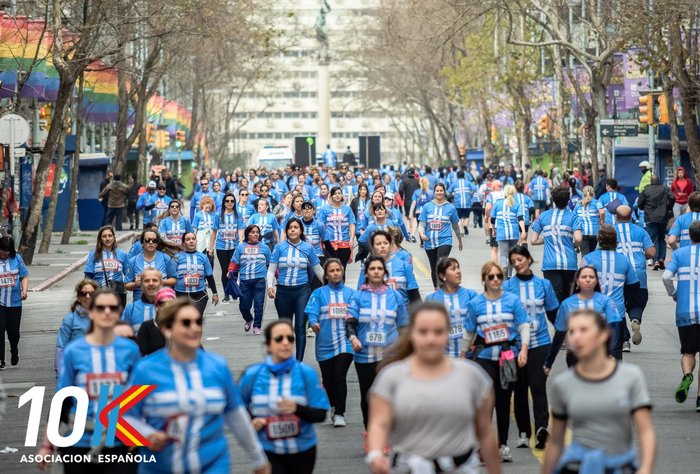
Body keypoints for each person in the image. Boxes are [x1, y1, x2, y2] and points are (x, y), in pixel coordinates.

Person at [125, 299, 271, 474]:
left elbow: (236, 416)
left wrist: (258, 459)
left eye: (198, 322)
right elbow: (123, 416)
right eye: (186, 323)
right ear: (166, 329)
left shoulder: (217, 366)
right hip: (160, 467)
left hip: (213, 465)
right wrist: (147, 434)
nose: (194, 328)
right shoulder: (146, 370)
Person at [366, 301, 500, 474]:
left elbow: (485, 432)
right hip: (408, 467)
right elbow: (379, 423)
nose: (431, 339)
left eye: (438, 332)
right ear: (411, 334)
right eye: (423, 332)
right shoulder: (391, 377)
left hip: (461, 468)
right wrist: (376, 454)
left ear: (447, 333)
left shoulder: (472, 376)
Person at [37, 288, 141, 473]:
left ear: (118, 312)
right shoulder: (74, 351)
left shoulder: (130, 350)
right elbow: (63, 399)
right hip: (79, 442)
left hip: (120, 443)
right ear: (91, 313)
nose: (107, 312)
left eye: (112, 307)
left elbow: (138, 398)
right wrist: (47, 444)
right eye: (101, 308)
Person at [542, 309, 656, 474]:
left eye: (584, 330)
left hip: (619, 465)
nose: (577, 337)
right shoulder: (563, 384)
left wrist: (645, 468)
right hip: (577, 466)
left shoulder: (630, 377)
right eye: (572, 331)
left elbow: (645, 431)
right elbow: (556, 441)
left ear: (603, 334)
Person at [239, 320, 329, 474]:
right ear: (268, 344)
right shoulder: (252, 375)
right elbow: (236, 408)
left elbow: (321, 414)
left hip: (302, 450)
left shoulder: (306, 373)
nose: (286, 343)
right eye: (279, 339)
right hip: (267, 449)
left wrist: (296, 408)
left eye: (290, 338)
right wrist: (252, 420)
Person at [461, 261, 530, 462]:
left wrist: (523, 349)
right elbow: (469, 332)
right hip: (484, 357)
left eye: (499, 276)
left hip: (507, 356)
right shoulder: (476, 304)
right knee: (485, 402)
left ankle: (502, 445)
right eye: (491, 276)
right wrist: (462, 358)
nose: (495, 280)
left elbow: (524, 325)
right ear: (484, 279)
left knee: (503, 401)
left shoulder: (512, 300)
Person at [502, 246, 559, 451]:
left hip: (541, 342)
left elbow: (553, 313)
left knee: (538, 386)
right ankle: (524, 432)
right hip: (515, 345)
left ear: (528, 259)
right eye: (513, 261)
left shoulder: (543, 284)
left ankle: (542, 429)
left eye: (520, 259)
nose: (517, 264)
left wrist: (565, 334)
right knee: (519, 388)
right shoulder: (507, 286)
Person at [347, 256, 408, 431]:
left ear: (384, 272)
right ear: (366, 272)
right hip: (364, 355)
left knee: (390, 396)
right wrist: (353, 338)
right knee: (368, 395)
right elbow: (350, 322)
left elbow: (403, 326)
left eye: (379, 269)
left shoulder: (395, 296)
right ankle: (370, 432)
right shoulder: (358, 296)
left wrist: (404, 351)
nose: (376, 272)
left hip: (389, 356)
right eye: (372, 269)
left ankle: (389, 432)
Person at [306, 259, 355, 428]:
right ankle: (334, 406)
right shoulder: (318, 294)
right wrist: (314, 323)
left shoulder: (350, 294)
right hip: (324, 344)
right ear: (326, 275)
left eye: (338, 270)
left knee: (339, 376)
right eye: (332, 271)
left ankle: (340, 413)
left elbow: (356, 315)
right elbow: (312, 313)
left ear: (342, 272)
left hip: (345, 343)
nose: (335, 273)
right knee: (328, 379)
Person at [267, 218, 324, 361]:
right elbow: (271, 270)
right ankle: (285, 359)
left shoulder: (308, 248)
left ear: (301, 231)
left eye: (296, 227)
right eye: (290, 227)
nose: (293, 230)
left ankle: (298, 362)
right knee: (285, 329)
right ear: (286, 231)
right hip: (283, 293)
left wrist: (332, 286)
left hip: (302, 292)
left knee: (300, 326)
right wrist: (270, 286)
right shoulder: (279, 248)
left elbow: (318, 269)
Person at [580, 225, 640, 358]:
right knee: (614, 354)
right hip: (616, 312)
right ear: (615, 241)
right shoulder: (624, 260)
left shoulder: (589, 259)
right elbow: (634, 284)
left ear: (599, 240)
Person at [545, 266, 621, 369]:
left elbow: (614, 328)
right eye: (584, 277)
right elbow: (559, 334)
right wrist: (549, 362)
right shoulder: (567, 304)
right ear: (577, 281)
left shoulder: (606, 301)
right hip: (575, 354)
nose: (588, 280)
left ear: (596, 281)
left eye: (591, 277)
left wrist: (613, 354)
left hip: (599, 352)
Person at [662, 220, 700, 407]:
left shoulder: (678, 254)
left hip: (685, 310)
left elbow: (666, 276)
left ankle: (687, 375)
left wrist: (674, 293)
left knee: (688, 351)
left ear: (690, 236)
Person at [530, 186, 583, 306]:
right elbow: (578, 238)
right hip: (569, 264)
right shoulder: (573, 216)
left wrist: (548, 238)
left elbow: (533, 240)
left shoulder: (543, 216)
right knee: (568, 297)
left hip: (550, 265)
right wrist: (574, 244)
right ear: (568, 200)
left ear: (553, 199)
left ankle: (558, 322)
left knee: (554, 297)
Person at [615, 206, 655, 351]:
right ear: (631, 216)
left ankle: (624, 340)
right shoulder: (640, 231)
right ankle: (635, 319)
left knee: (617, 307)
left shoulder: (610, 231)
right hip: (638, 273)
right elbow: (651, 251)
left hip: (618, 274)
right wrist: (641, 257)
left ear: (616, 217)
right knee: (637, 302)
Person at [425, 258, 478, 358]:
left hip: (469, 356)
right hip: (442, 358)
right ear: (442, 276)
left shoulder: (471, 295)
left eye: (458, 268)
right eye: (453, 269)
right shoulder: (431, 299)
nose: (458, 271)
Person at [358, 230, 421, 313]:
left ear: (390, 244)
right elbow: (360, 296)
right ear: (373, 247)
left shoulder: (405, 265)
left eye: (385, 243)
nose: (382, 246)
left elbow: (414, 296)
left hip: (402, 317)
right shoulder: (366, 267)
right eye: (378, 244)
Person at [228, 225, 272, 335]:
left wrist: (277, 277)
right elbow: (234, 262)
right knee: (244, 306)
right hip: (244, 281)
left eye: (257, 232)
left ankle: (257, 326)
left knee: (258, 305)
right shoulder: (240, 247)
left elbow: (271, 265)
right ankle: (248, 319)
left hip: (260, 281)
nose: (256, 234)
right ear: (247, 234)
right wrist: (230, 270)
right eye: (253, 232)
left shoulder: (265, 248)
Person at [418, 183, 463, 289]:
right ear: (434, 192)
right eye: (437, 191)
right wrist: (421, 234)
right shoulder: (427, 206)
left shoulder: (451, 208)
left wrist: (460, 240)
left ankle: (443, 289)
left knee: (440, 264)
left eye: (441, 190)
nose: (439, 193)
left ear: (444, 192)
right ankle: (436, 289)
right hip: (429, 241)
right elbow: (422, 224)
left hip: (445, 240)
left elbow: (455, 226)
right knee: (433, 267)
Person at [55, 279, 98, 374]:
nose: (87, 296)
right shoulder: (70, 319)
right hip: (79, 371)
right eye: (83, 293)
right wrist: (61, 373)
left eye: (91, 293)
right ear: (78, 297)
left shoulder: (106, 316)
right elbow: (61, 347)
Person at [172, 231, 219, 315]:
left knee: (196, 320)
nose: (191, 241)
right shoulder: (177, 257)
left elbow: (210, 276)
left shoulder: (203, 257)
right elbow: (172, 277)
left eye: (193, 239)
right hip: (180, 295)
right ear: (183, 243)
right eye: (188, 239)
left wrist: (215, 293)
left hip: (199, 295)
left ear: (196, 241)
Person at [84, 225, 130, 307]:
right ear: (100, 239)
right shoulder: (93, 254)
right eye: (104, 236)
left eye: (110, 235)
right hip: (98, 295)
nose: (107, 238)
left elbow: (129, 276)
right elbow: (88, 278)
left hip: (118, 296)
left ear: (114, 237)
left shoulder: (122, 254)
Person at [124, 230, 176, 302]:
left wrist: (161, 282)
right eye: (147, 240)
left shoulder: (165, 258)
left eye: (154, 240)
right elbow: (126, 285)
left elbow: (174, 279)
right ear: (142, 243)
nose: (151, 242)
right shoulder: (133, 261)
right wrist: (135, 284)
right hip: (140, 302)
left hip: (161, 302)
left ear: (157, 244)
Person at [639, 175, 675, 270]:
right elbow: (672, 197)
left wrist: (645, 208)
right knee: (661, 238)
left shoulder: (646, 190)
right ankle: (662, 259)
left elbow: (639, 203)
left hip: (650, 217)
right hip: (662, 217)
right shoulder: (665, 188)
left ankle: (655, 261)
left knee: (653, 239)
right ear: (659, 180)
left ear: (651, 181)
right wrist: (668, 207)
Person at [489, 184, 525, 277]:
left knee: (503, 254)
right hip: (514, 233)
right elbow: (520, 218)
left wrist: (493, 229)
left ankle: (504, 268)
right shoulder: (516, 204)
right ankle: (509, 274)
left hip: (501, 232)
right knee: (512, 255)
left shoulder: (498, 203)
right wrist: (523, 232)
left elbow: (492, 219)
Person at [316, 186, 356, 269]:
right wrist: (320, 241)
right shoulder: (324, 209)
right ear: (331, 196)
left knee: (342, 268)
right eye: (335, 194)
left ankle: (342, 282)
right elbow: (320, 226)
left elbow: (352, 224)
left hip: (344, 243)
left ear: (342, 195)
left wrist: (352, 239)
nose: (337, 195)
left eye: (339, 193)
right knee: (331, 268)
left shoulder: (347, 209)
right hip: (329, 244)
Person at [216, 192, 242, 301]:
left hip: (234, 246)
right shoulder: (218, 215)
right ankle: (226, 294)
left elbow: (240, 229)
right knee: (224, 270)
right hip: (221, 246)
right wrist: (209, 247)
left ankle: (234, 290)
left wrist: (241, 242)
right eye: (227, 201)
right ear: (224, 203)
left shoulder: (238, 214)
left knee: (233, 270)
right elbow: (213, 231)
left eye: (232, 201)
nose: (230, 203)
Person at [135, 287, 175, 356]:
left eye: (170, 303)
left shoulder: (183, 325)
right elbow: (140, 354)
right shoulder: (147, 326)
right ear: (156, 306)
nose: (167, 306)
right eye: (162, 303)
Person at [121, 267, 162, 333]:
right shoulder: (131, 309)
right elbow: (122, 337)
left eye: (155, 280)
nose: (151, 283)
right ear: (141, 285)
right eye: (147, 281)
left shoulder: (169, 308)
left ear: (161, 284)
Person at [572, 185, 603, 257]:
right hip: (595, 233)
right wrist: (602, 221)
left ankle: (584, 267)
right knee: (593, 255)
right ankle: (592, 267)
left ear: (583, 194)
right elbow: (602, 212)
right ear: (593, 193)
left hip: (583, 233)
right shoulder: (597, 202)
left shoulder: (578, 204)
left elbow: (573, 217)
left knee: (585, 255)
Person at [448, 170, 477, 236]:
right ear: (464, 175)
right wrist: (471, 194)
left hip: (458, 204)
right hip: (467, 203)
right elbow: (474, 188)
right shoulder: (468, 182)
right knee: (466, 217)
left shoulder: (454, 183)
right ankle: (465, 225)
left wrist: (453, 194)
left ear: (457, 176)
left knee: (459, 218)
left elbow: (448, 192)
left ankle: (461, 231)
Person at [192, 196, 219, 266]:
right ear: (202, 205)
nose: (208, 209)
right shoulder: (198, 215)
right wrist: (193, 239)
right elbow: (195, 229)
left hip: (211, 238)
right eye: (206, 207)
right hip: (201, 237)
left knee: (210, 259)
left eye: (209, 207)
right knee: (200, 257)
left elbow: (216, 228)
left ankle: (210, 275)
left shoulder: (214, 215)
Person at [408, 177, 431, 245]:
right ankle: (427, 240)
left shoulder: (416, 192)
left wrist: (411, 212)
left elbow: (414, 203)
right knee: (428, 226)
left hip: (419, 212)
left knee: (421, 226)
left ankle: (422, 241)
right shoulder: (431, 192)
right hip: (429, 212)